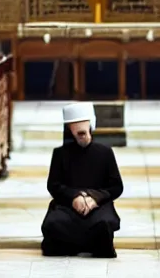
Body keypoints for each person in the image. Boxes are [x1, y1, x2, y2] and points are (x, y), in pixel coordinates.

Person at [41, 102, 124, 258]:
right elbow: (53, 185)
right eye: (78, 133)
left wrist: (94, 199)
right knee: (54, 224)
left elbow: (116, 187)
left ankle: (80, 243)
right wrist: (74, 198)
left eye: (85, 132)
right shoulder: (60, 154)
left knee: (103, 223)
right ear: (70, 131)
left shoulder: (105, 153)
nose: (83, 136)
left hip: (97, 205)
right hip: (68, 205)